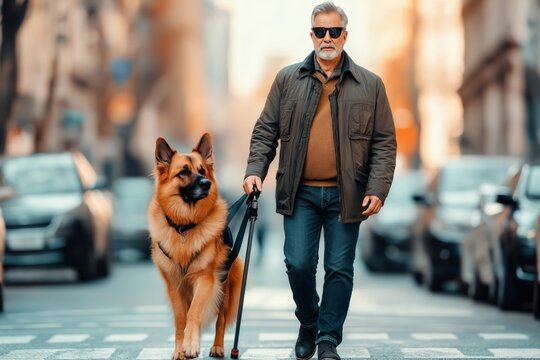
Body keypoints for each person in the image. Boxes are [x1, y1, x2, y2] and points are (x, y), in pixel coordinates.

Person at [242, 2, 396, 359]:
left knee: (339, 268)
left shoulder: (371, 85)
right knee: (297, 263)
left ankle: (328, 338)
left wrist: (377, 188)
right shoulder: (286, 79)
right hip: (300, 193)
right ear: (311, 35)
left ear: (345, 34)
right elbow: (266, 129)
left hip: (348, 194)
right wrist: (254, 170)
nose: (327, 38)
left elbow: (385, 141)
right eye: (320, 31)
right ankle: (309, 321)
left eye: (334, 31)